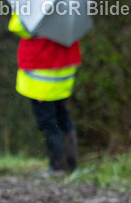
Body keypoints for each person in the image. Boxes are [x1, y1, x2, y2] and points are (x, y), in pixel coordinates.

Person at [8, 13, 80, 175]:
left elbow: (18, 27)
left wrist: (18, 9)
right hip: (65, 69)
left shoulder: (35, 2)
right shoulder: (69, 2)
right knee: (62, 116)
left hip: (42, 71)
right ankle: (71, 166)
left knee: (48, 121)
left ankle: (58, 168)